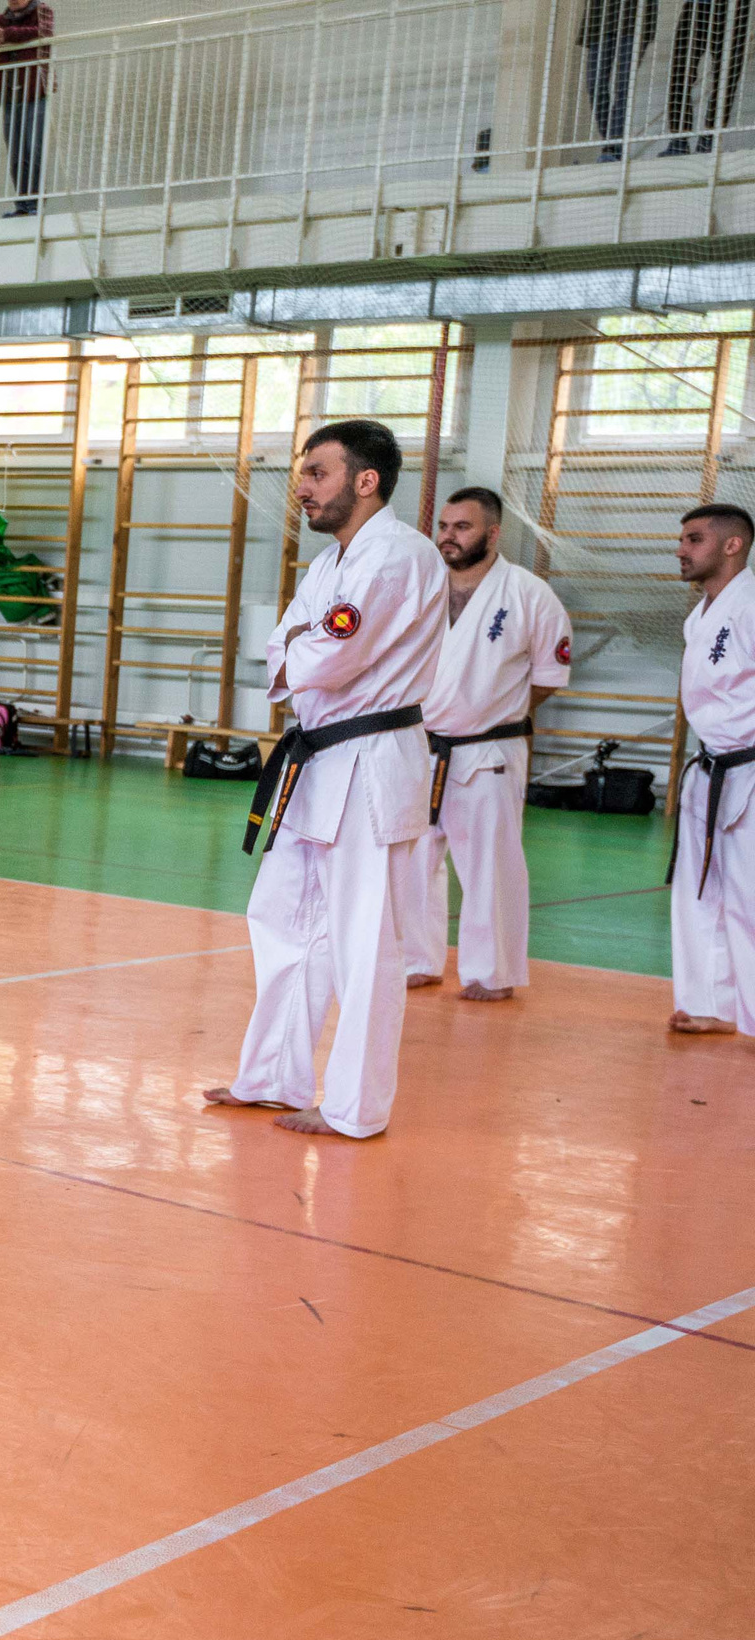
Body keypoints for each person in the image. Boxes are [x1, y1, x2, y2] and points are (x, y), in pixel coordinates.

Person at [206, 421, 444, 1138]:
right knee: (283, 920)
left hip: (371, 763)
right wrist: (300, 647)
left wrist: (301, 648)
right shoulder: (328, 567)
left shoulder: (398, 556)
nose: (302, 489)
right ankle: (275, 1075)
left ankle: (354, 1108)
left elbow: (322, 658)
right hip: (318, 762)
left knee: (365, 943)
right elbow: (278, 654)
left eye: (317, 473)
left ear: (364, 480)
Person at [394, 489, 571, 1001]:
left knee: (489, 865)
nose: (448, 536)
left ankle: (490, 973)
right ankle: (417, 960)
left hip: (489, 750)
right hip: (421, 745)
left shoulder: (527, 594)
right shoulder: (421, 587)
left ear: (493, 534)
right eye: (445, 526)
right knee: (412, 859)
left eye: (462, 527)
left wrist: (493, 710)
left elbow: (550, 674)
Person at [668, 502, 755, 1036]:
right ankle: (711, 1004)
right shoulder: (698, 616)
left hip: (749, 766)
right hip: (710, 766)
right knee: (698, 890)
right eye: (682, 539)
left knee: (748, 895)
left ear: (732, 545)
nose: (681, 549)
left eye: (694, 539)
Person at [0, 0, 54, 216]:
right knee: (16, 152)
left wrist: (6, 35)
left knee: (34, 149)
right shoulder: (0, 20)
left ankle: (34, 203)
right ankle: (22, 204)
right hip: (10, 95)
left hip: (34, 92)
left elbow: (43, 31)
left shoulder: (42, 10)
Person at [662, 0, 750, 154]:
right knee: (681, 68)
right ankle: (680, 139)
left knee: (727, 74)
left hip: (732, 7)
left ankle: (709, 137)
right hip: (698, 4)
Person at [583, 0, 660, 160]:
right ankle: (611, 141)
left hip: (636, 13)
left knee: (624, 85)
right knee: (595, 82)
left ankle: (613, 147)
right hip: (601, 12)